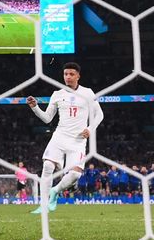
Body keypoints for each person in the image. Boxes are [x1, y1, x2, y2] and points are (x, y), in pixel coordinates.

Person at [26, 62, 103, 213]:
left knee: (75, 174)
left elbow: (99, 114)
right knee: (48, 166)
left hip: (78, 140)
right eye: (66, 74)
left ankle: (55, 191)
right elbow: (47, 118)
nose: (68, 77)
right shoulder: (57, 94)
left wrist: (89, 128)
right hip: (59, 137)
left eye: (71, 74)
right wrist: (35, 107)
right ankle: (44, 205)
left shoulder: (87, 93)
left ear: (78, 76)